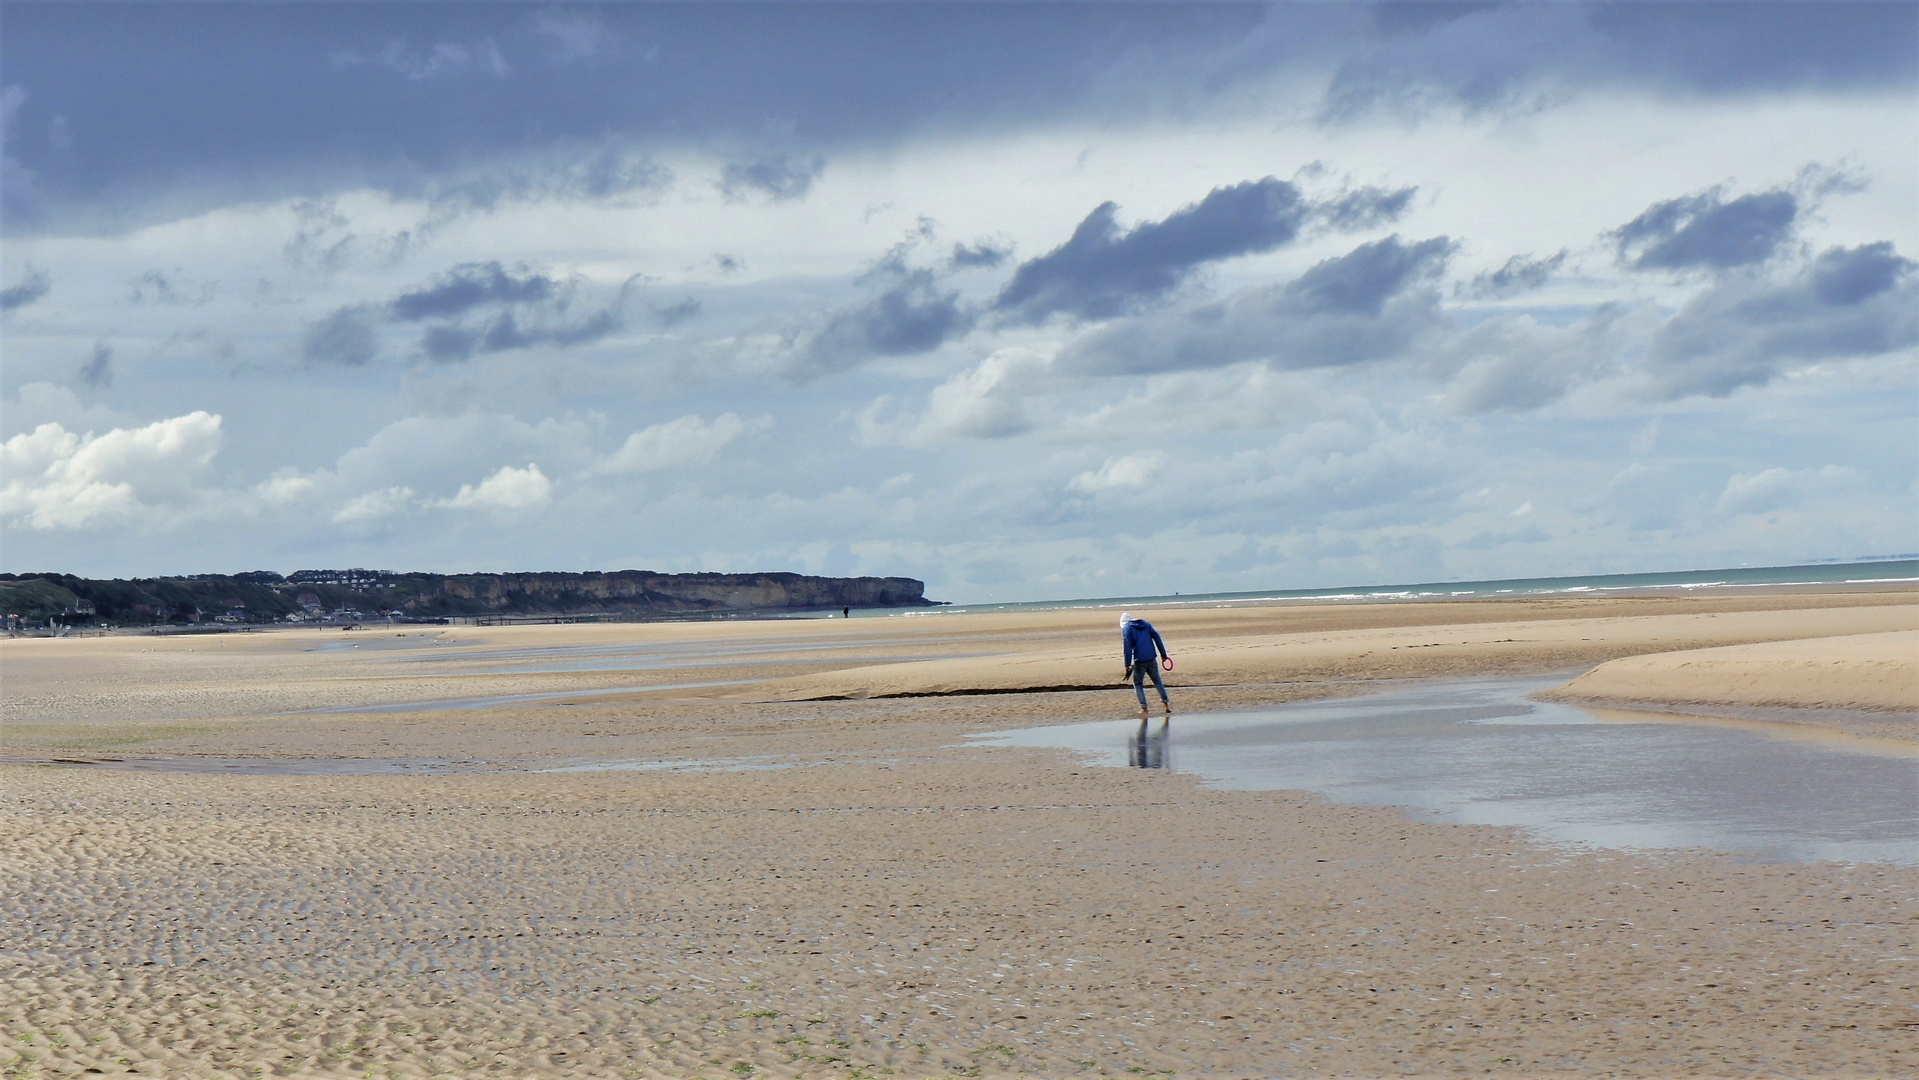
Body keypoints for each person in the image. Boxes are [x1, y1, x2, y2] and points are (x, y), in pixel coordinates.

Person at [1119, 612, 1171, 722]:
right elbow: (1157, 637)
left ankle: (1144, 708)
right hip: (1151, 657)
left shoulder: (1127, 628)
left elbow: (1127, 647)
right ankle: (1166, 705)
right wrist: (1163, 655)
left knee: (1138, 684)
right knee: (1157, 681)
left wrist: (1127, 664)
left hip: (1139, 660)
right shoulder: (1145, 624)